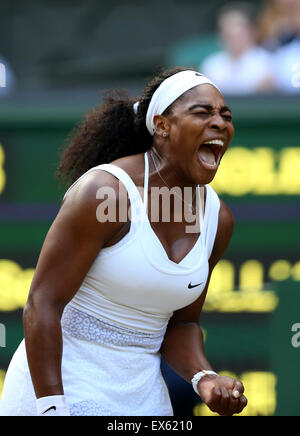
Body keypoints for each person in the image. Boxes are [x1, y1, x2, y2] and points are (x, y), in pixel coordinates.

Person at [0, 66, 248, 417]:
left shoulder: (218, 220)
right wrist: (52, 407)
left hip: (143, 397)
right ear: (161, 125)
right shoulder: (105, 193)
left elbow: (182, 324)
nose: (220, 123)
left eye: (226, 115)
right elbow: (42, 304)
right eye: (202, 112)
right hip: (61, 388)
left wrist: (204, 378)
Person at [200, 2, 275, 95]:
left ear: (252, 30)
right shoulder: (211, 64)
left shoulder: (268, 62)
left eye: (237, 26)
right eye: (225, 27)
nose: (232, 32)